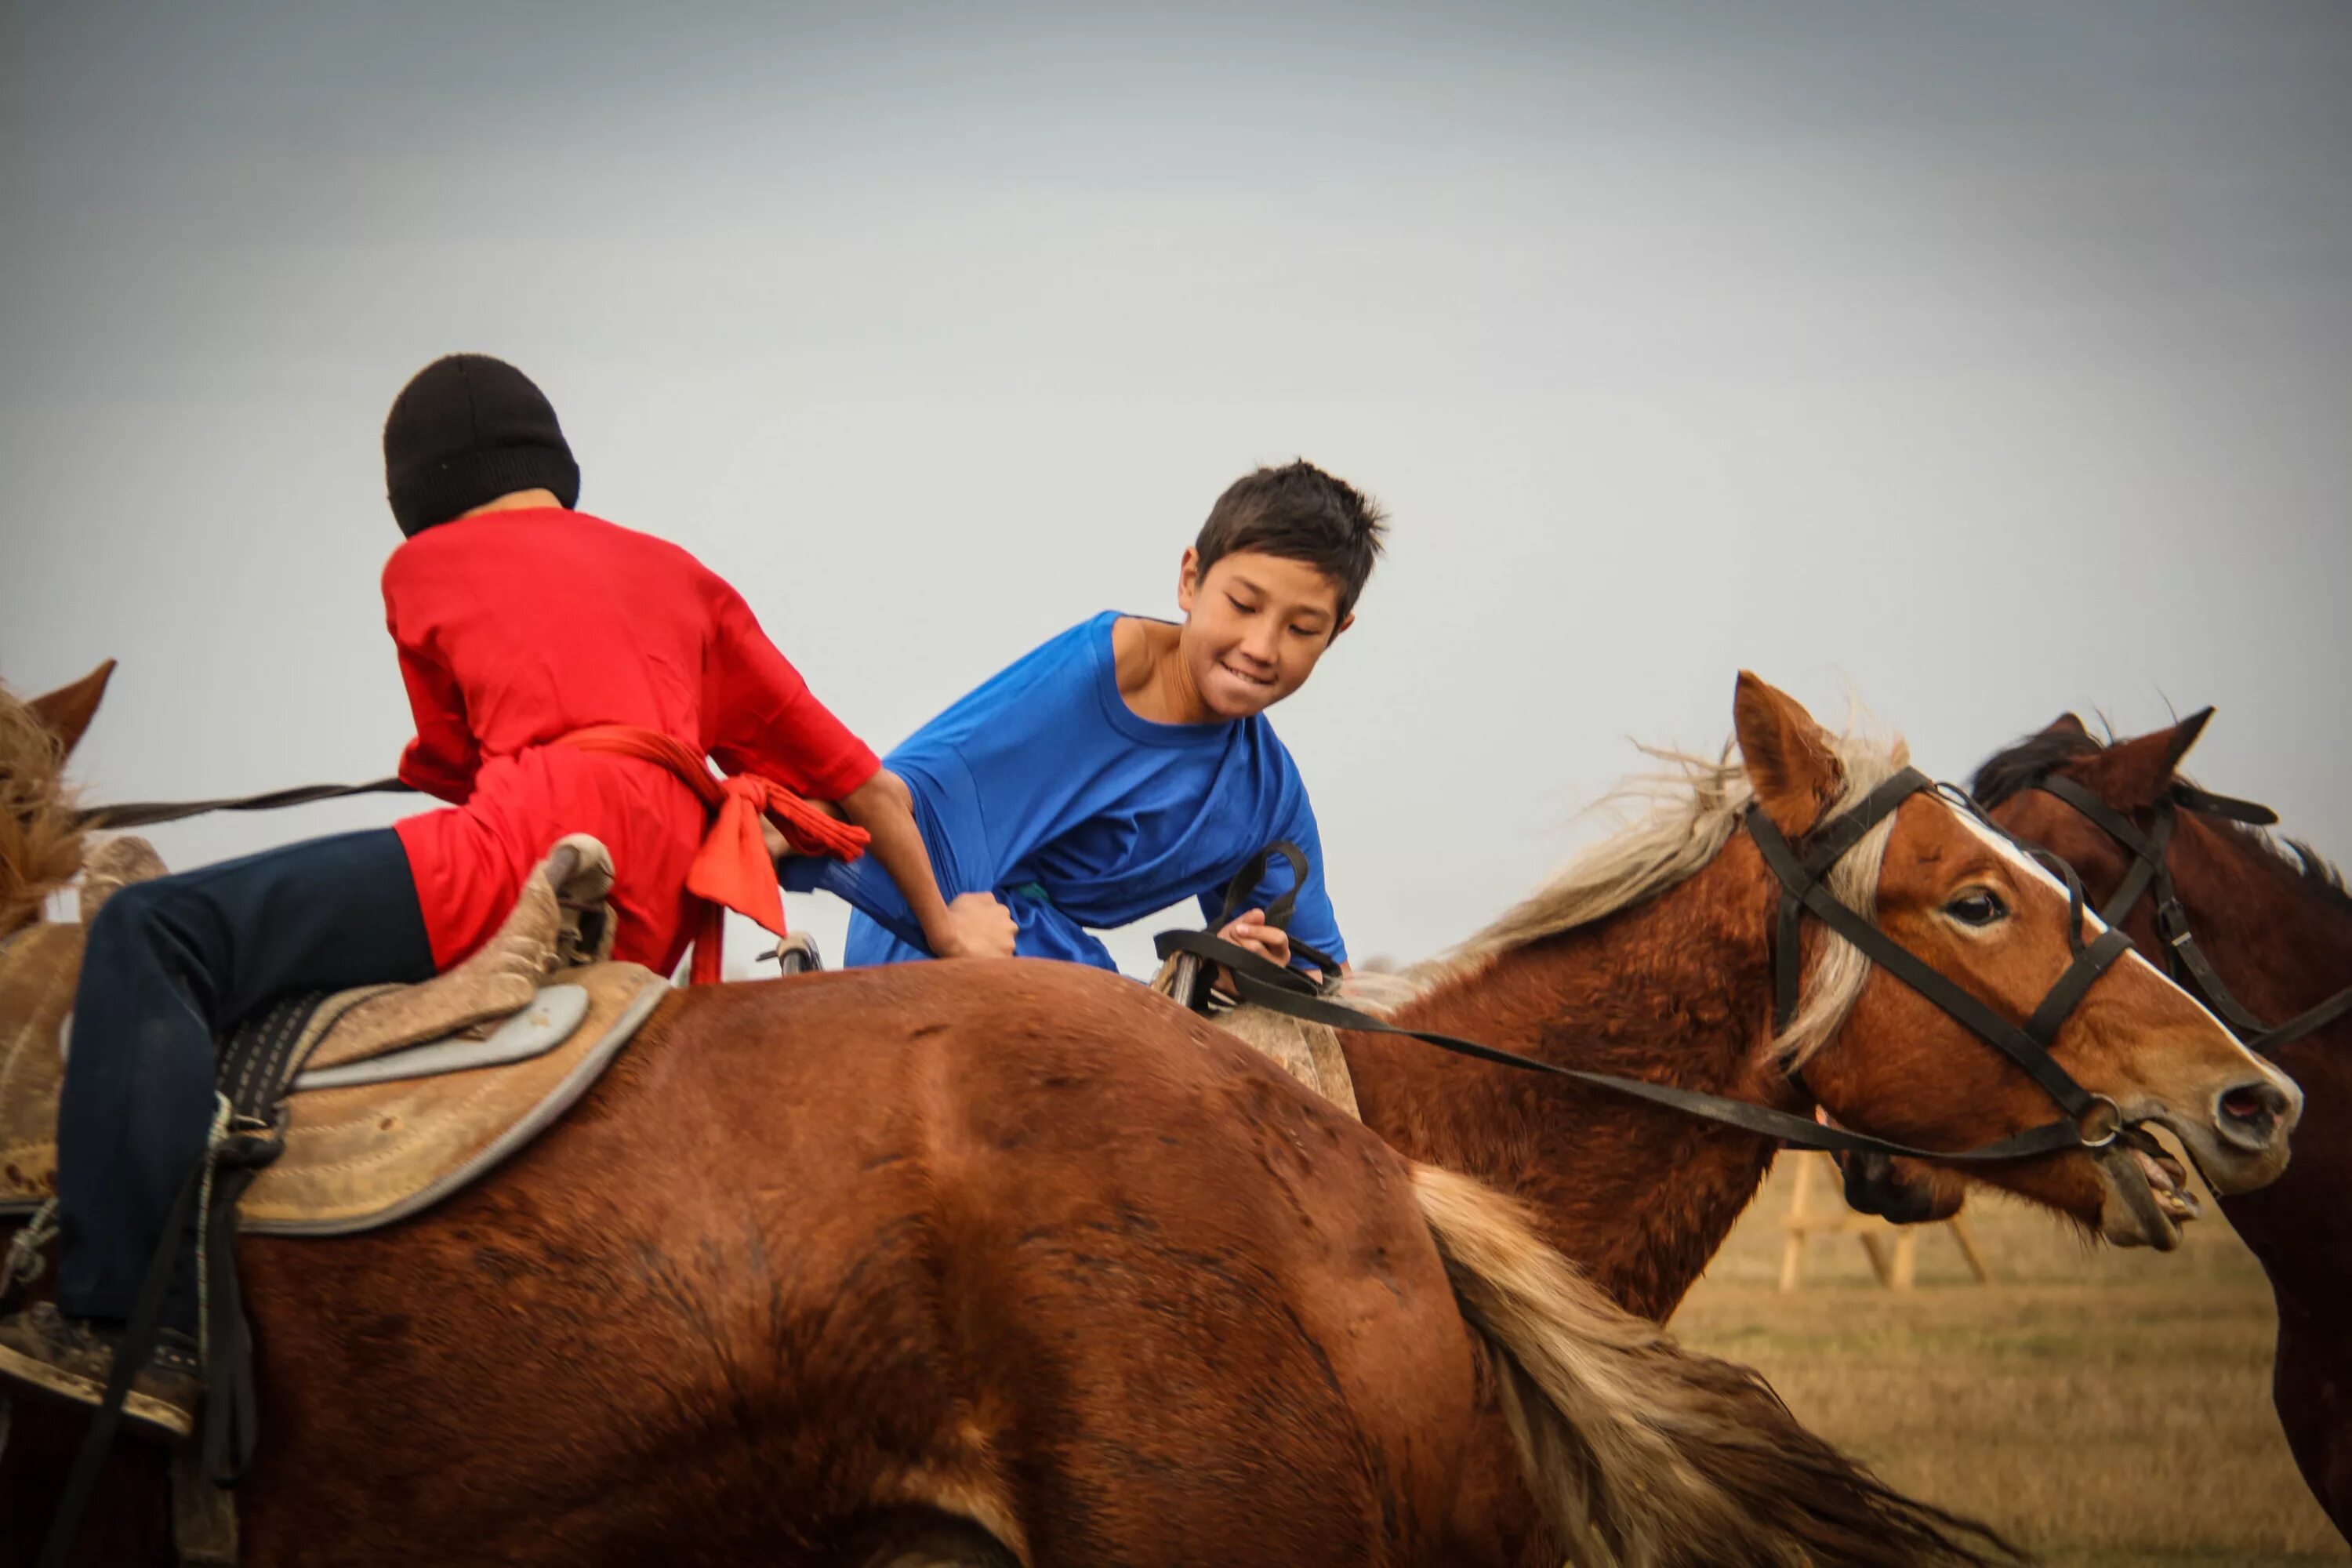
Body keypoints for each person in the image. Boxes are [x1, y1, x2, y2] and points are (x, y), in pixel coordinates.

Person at [0, 354, 1012, 1440]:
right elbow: (874, 789)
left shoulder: (423, 570)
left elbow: (456, 761)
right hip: (659, 889)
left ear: (413, 499)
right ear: (555, 468)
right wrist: (952, 935)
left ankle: (122, 1324)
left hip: (528, 845)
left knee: (159, 931)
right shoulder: (682, 574)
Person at [786, 459, 1381, 979]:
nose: (1261, 645)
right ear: (1191, 580)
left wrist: (1239, 971)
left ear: (1336, 634)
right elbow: (903, 795)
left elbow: (1324, 978)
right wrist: (775, 825)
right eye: (1243, 605)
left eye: (1302, 629)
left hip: (1075, 981)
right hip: (942, 938)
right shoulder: (1106, 671)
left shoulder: (1266, 799)